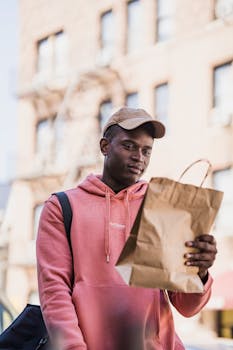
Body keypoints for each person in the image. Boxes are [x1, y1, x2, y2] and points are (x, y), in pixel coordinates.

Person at [36, 107, 217, 350]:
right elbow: (54, 293)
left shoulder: (163, 209)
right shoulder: (62, 206)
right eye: (129, 146)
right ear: (104, 146)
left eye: (146, 151)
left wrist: (200, 273)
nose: (138, 157)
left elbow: (187, 306)